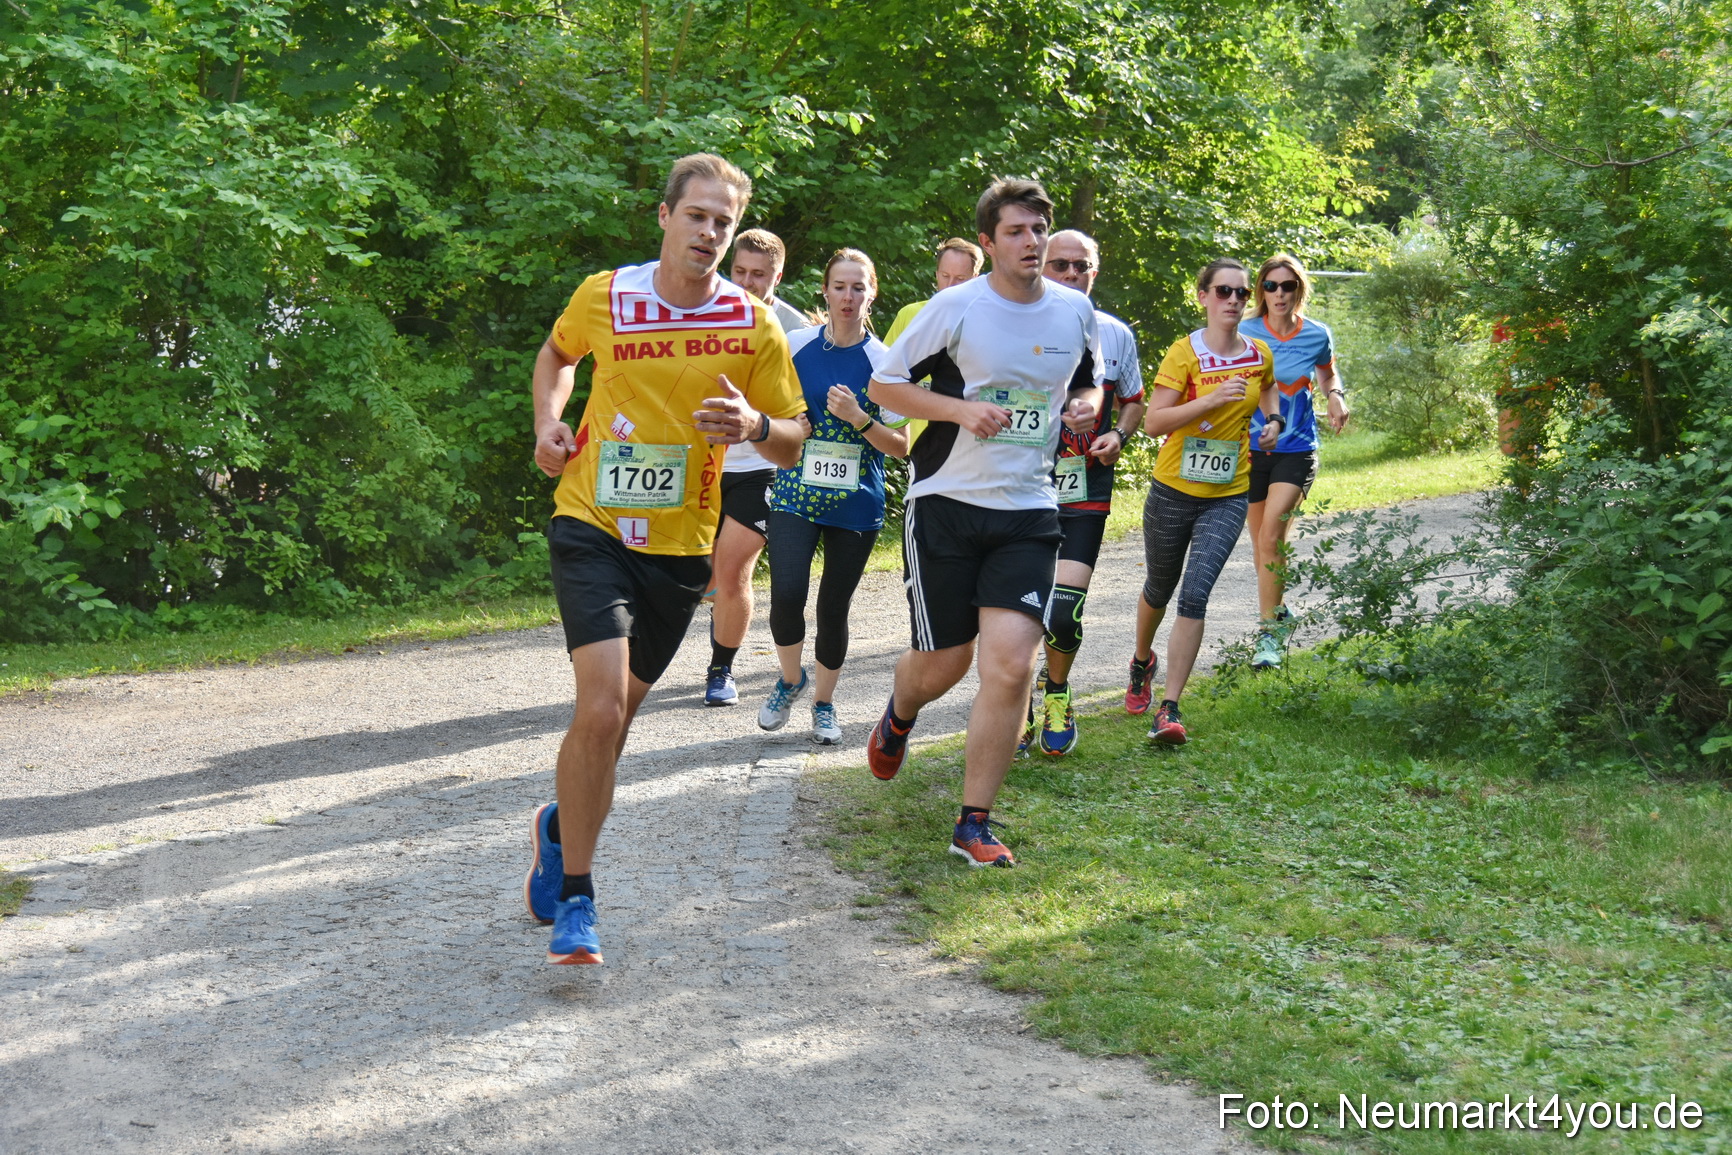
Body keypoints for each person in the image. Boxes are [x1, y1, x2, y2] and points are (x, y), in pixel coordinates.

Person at [523, 154, 807, 965]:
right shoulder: (606, 294)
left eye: (724, 221)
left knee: (611, 730)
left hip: (683, 547)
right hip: (592, 521)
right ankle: (579, 898)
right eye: (697, 215)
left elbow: (793, 438)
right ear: (665, 216)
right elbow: (557, 356)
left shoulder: (753, 323)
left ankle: (559, 825)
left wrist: (754, 426)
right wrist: (548, 423)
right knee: (601, 706)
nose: (709, 232)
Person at [865, 178, 1102, 868]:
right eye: (1016, 232)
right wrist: (960, 410)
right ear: (989, 242)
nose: (1032, 242)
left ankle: (974, 823)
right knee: (946, 662)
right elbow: (884, 385)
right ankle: (899, 713)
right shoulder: (956, 307)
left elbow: (1087, 379)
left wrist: (1087, 404)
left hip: (1028, 508)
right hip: (946, 501)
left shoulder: (1074, 311)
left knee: (1011, 663)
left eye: (1039, 230)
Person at [759, 249, 911, 743]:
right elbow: (767, 410)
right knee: (786, 595)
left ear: (872, 294)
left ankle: (824, 704)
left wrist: (859, 419)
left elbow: (902, 445)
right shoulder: (795, 345)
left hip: (855, 503)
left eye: (858, 287)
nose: (848, 297)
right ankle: (790, 680)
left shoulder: (885, 363)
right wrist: (788, 425)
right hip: (795, 492)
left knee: (832, 608)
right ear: (825, 291)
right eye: (840, 287)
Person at [1126, 258, 1280, 744]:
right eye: (1223, 291)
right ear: (1204, 297)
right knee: (1160, 586)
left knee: (1195, 594)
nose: (1233, 300)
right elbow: (1153, 422)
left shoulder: (1258, 353)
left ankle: (1169, 709)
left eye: (1241, 293)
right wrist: (1211, 401)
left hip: (1229, 494)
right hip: (1174, 488)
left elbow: (1269, 391)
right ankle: (1141, 660)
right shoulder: (1184, 353)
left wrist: (1273, 422)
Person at [1024, 229, 1146, 756]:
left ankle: (1056, 691)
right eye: (1061, 265)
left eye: (1082, 266)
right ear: (1041, 266)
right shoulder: (1015, 324)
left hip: (1084, 491)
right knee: (1020, 612)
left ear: (1095, 271)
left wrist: (1118, 434)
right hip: (1021, 490)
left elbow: (1134, 403)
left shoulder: (1116, 334)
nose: (1072, 274)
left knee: (1062, 614)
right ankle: (1016, 703)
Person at [702, 229, 814, 707]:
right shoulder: (701, 310)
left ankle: (720, 670)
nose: (747, 283)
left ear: (778, 276)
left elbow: (805, 411)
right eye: (739, 272)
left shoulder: (793, 330)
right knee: (696, 572)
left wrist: (785, 427)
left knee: (732, 570)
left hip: (761, 466)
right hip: (700, 462)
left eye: (759, 275)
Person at [1239, 253, 1349, 668]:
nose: (1280, 293)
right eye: (1271, 286)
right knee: (1263, 546)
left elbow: (1327, 372)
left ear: (1299, 290)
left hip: (1297, 449)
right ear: (1261, 291)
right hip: (1249, 450)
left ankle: (1268, 636)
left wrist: (1335, 395)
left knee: (1271, 538)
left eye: (1288, 286)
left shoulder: (1317, 334)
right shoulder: (1244, 331)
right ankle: (1280, 612)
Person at [883, 237, 985, 345]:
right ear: (937, 274)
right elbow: (886, 356)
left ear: (974, 279)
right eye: (945, 276)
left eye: (960, 278)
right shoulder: (908, 314)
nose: (950, 284)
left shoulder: (985, 323)